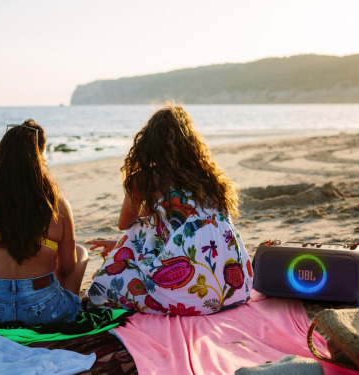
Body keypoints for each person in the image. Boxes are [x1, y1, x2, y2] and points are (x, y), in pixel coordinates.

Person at [86, 104, 253, 315]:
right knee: (160, 218)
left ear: (148, 144)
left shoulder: (145, 179)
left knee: (106, 282)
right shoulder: (208, 178)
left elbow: (124, 224)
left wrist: (125, 245)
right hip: (235, 287)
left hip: (188, 296)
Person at [0, 119, 88, 328]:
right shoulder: (57, 205)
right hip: (43, 311)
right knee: (80, 253)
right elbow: (67, 268)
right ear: (39, 157)